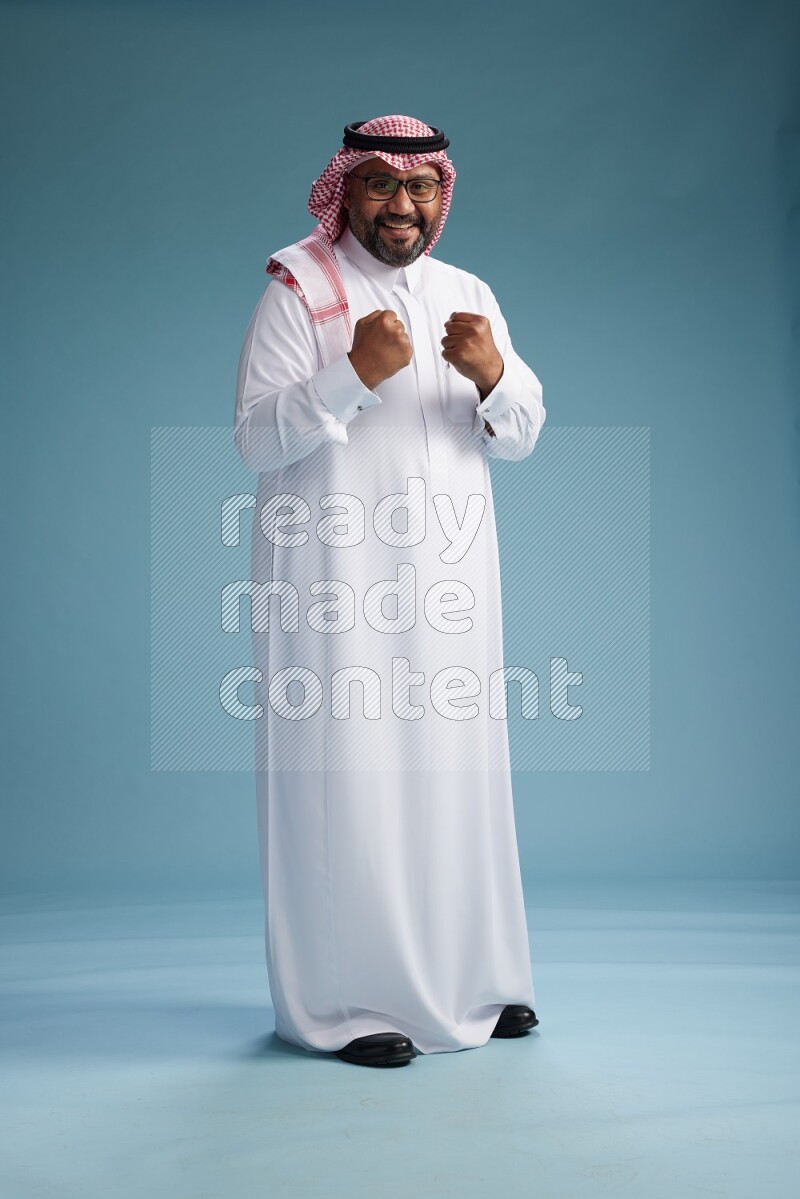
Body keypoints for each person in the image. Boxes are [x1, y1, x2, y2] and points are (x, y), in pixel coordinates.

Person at [233, 115, 546, 1068]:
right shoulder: (301, 288)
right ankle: (343, 1005)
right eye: (378, 185)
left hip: (452, 582)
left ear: (442, 195)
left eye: (420, 188)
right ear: (346, 191)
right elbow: (256, 439)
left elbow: (524, 432)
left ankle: (477, 985)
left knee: (459, 778)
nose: (401, 205)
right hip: (337, 585)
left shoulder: (468, 291)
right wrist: (351, 375)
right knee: (351, 784)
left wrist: (493, 376)